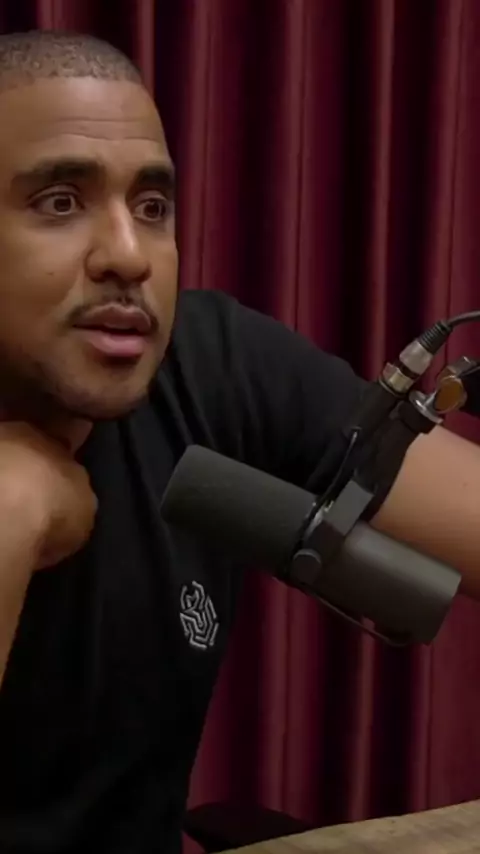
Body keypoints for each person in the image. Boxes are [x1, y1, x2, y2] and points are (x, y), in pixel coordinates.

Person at [0, 28, 478, 854]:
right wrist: (12, 512)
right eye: (60, 202)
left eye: (152, 208)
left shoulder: (212, 365)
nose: (128, 256)